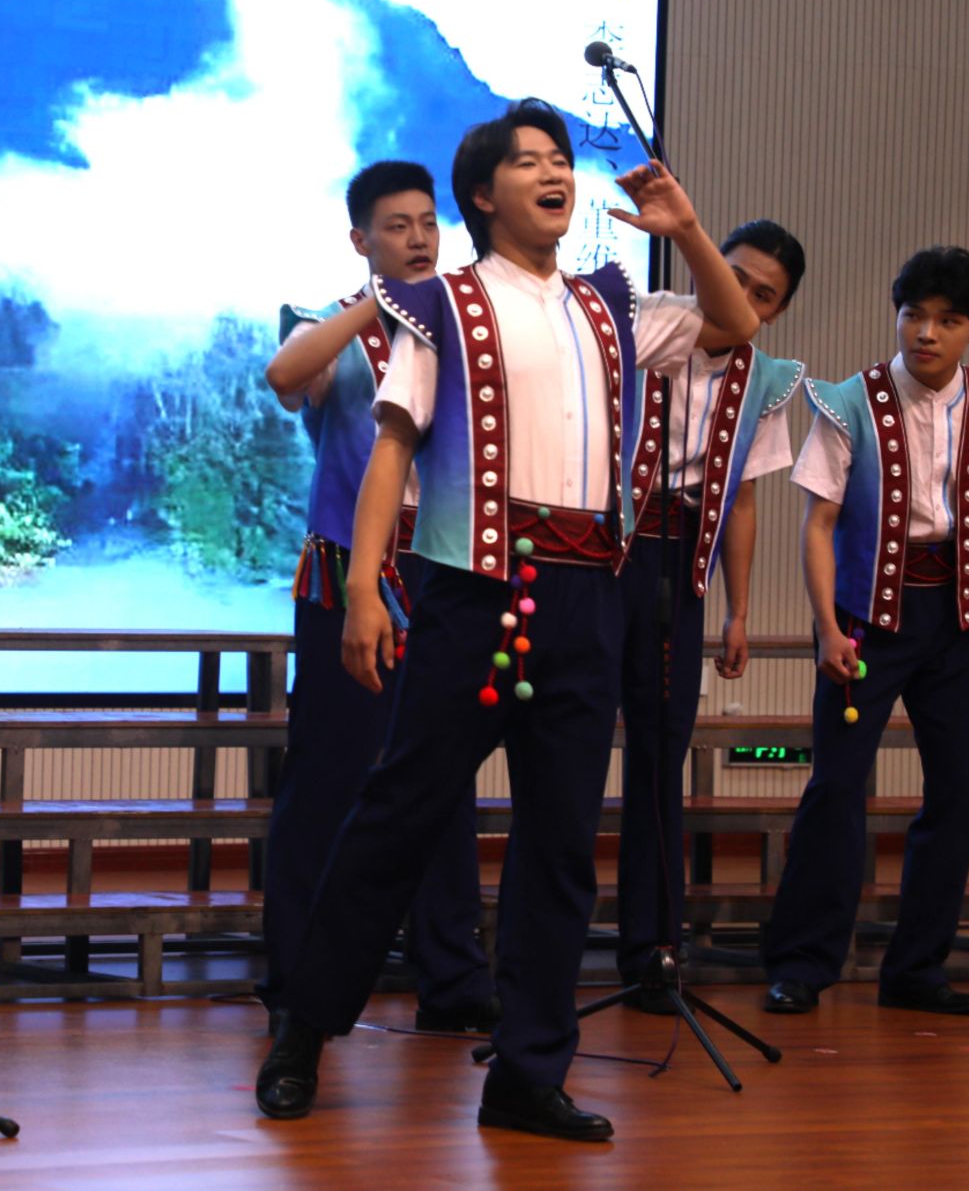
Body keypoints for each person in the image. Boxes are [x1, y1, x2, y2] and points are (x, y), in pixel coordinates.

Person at [255, 98, 759, 1141]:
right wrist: (363, 591)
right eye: (528, 161)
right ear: (482, 195)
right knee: (397, 814)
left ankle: (528, 1072)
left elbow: (735, 324)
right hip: (473, 590)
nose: (554, 172)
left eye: (560, 158)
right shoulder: (441, 304)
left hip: (589, 597)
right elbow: (393, 443)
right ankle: (304, 1025)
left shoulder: (613, 303)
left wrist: (686, 230)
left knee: (561, 842)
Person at [762, 246, 969, 1017]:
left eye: (947, 320)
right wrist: (826, 627)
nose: (926, 332)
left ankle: (917, 967)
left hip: (956, 621)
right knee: (836, 788)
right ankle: (802, 963)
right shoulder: (849, 402)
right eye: (914, 315)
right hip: (866, 621)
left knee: (955, 793)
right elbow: (818, 522)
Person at [259, 160, 495, 1036]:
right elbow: (285, 375)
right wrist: (378, 302)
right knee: (327, 775)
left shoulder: (465, 327)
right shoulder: (331, 325)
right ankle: (297, 980)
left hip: (443, 571)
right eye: (398, 225)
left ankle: (453, 976)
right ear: (361, 239)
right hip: (347, 576)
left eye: (428, 222)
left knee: (444, 778)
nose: (419, 237)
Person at [616, 219, 805, 1012]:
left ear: (777, 309)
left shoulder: (762, 381)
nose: (743, 296)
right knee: (569, 740)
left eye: (764, 293)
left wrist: (739, 609)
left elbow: (744, 499)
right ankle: (543, 944)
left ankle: (652, 947)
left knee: (661, 753)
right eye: (734, 276)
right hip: (607, 549)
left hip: (681, 559)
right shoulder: (647, 324)